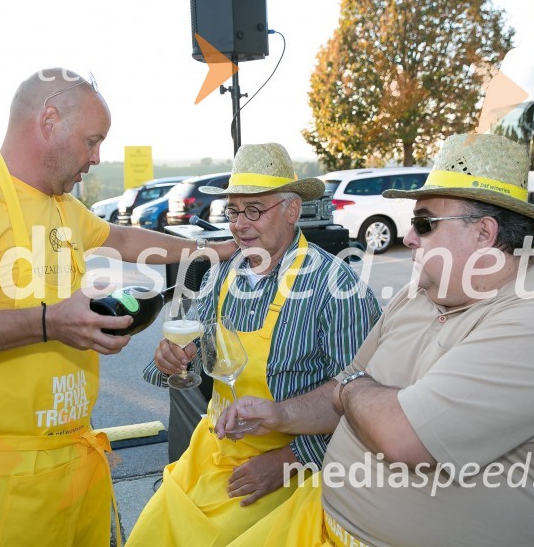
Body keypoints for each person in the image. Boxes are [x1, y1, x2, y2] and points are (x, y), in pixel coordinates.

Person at [0, 68, 236, 547]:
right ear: (49, 120)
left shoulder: (62, 208)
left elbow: (123, 237)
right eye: (92, 141)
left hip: (77, 459)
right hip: (2, 478)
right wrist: (50, 323)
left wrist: (213, 251)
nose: (97, 158)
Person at [218, 133, 534, 547]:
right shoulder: (421, 292)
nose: (408, 237)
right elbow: (343, 387)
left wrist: (351, 390)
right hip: (319, 522)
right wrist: (282, 415)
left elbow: (403, 436)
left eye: (424, 222)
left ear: (484, 233)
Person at [127, 142, 382, 547]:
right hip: (210, 456)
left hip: (293, 474)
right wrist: (172, 363)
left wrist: (288, 462)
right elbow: (194, 363)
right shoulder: (224, 273)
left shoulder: (338, 290)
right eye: (233, 211)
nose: (240, 225)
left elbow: (365, 406)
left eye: (254, 210)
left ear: (292, 210)